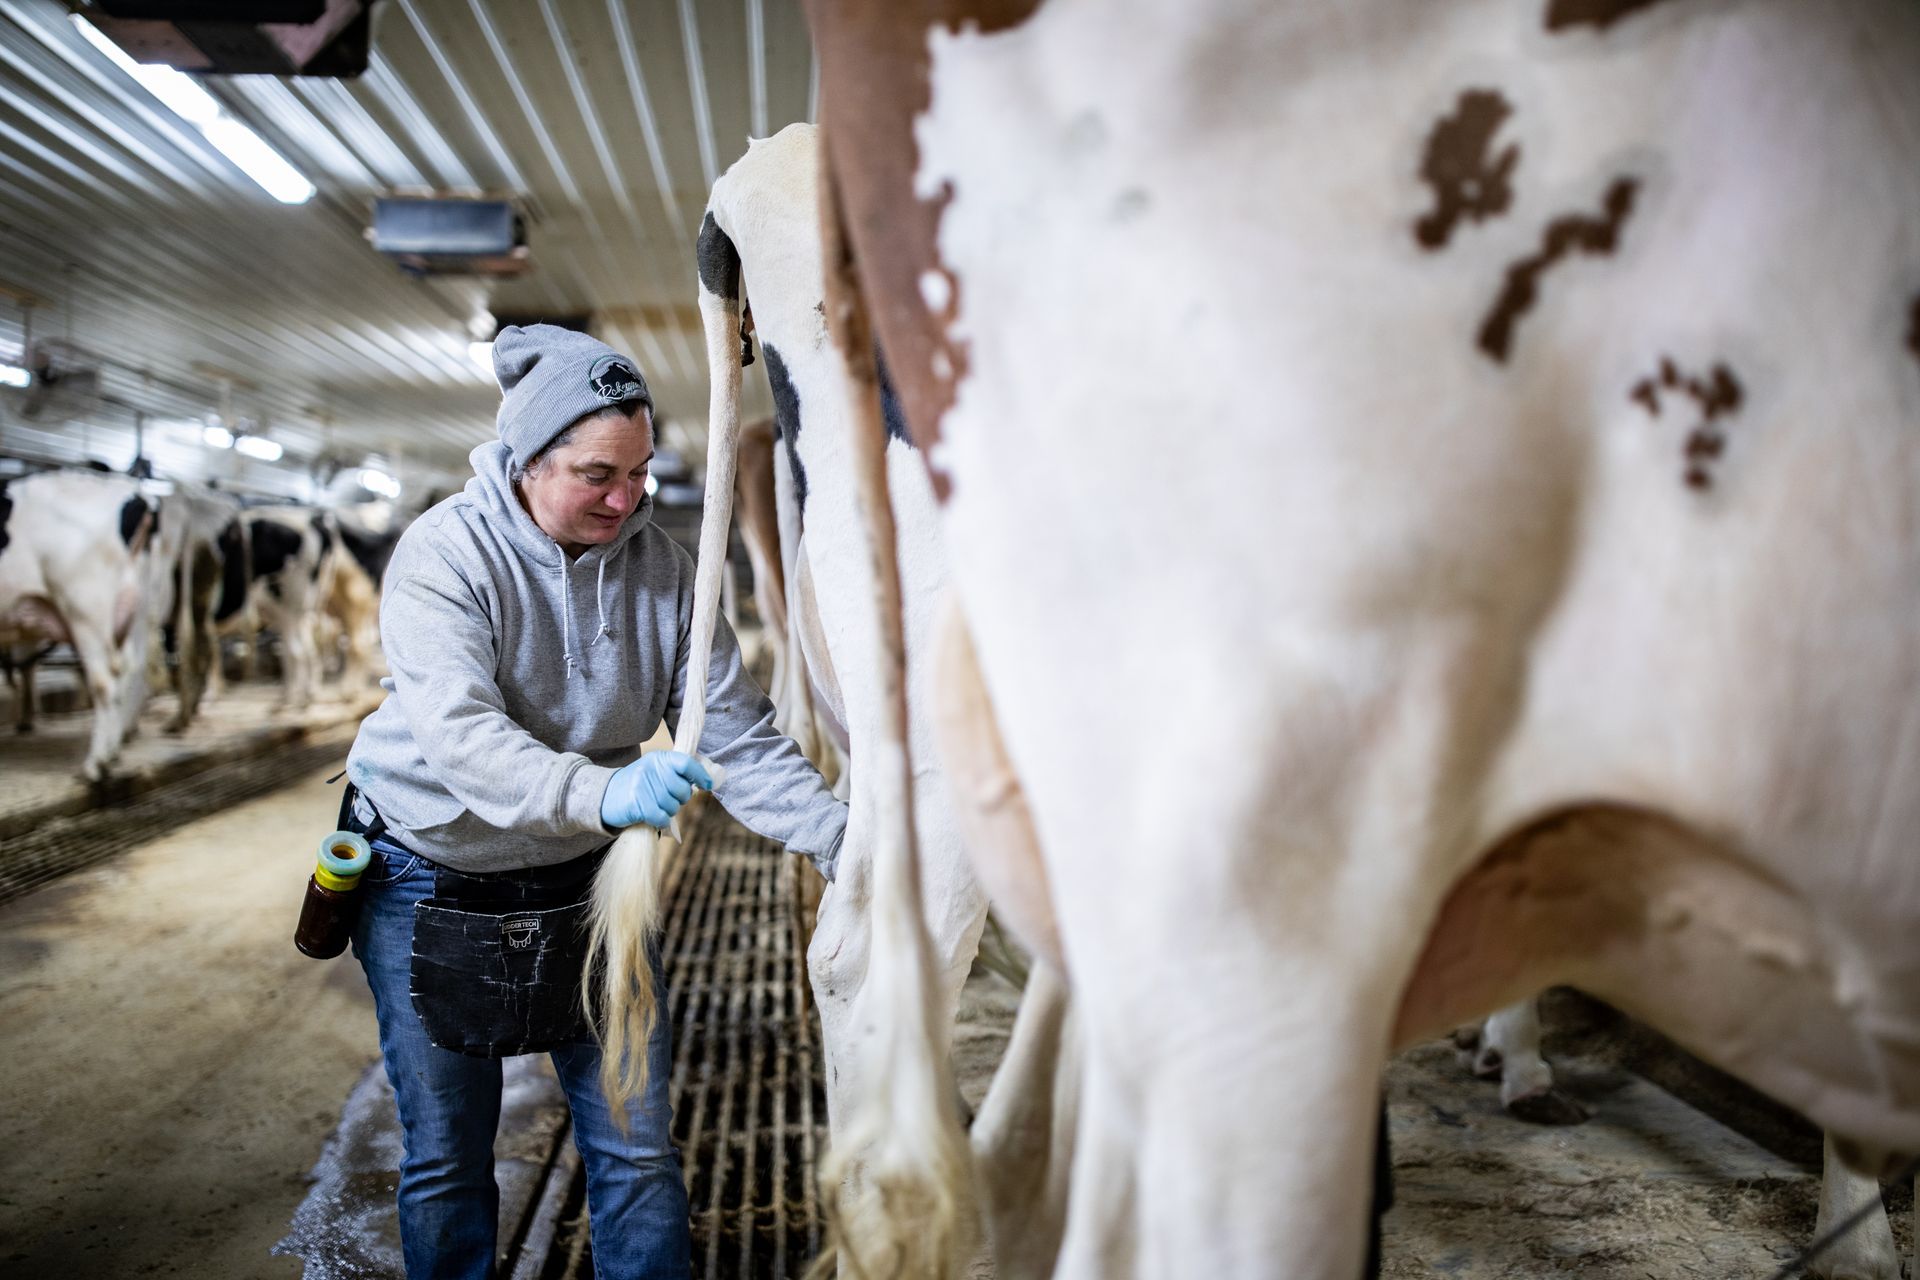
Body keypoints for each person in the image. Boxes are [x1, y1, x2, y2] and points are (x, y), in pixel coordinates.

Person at [339, 324, 846, 1279]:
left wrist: (839, 838)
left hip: (582, 873)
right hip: (427, 870)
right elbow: (463, 743)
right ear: (526, 461)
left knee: (636, 1144)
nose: (625, 499)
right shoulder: (445, 557)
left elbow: (733, 733)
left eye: (642, 473)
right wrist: (604, 789)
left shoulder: (667, 574)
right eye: (595, 475)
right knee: (449, 1159)